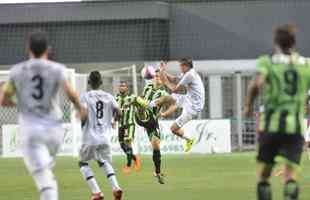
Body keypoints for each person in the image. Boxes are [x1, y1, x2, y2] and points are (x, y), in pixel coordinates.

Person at [0, 30, 87, 200]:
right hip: (54, 130)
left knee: (45, 181)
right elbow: (70, 92)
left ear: (28, 49)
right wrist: (80, 108)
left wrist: (21, 104)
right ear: (47, 49)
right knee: (47, 168)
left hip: (31, 130)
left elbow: (4, 99)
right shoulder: (57, 69)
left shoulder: (17, 71)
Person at [244, 24, 309, 200]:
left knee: (264, 175)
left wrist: (248, 106)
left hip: (272, 126)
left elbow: (257, 84)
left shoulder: (267, 61)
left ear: (276, 43)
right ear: (294, 43)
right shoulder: (306, 65)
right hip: (295, 128)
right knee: (290, 176)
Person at [138, 58, 205, 152]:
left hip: (193, 107)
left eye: (181, 66)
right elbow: (173, 79)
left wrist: (164, 81)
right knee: (166, 98)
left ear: (186, 66)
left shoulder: (190, 75)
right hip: (188, 98)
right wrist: (162, 70)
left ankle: (189, 139)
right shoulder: (187, 73)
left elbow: (174, 88)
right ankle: (148, 105)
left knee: (173, 129)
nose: (180, 68)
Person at [78, 71, 123, 200]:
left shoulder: (85, 97)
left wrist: (83, 124)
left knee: (83, 163)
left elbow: (84, 114)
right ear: (101, 82)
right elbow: (119, 113)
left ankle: (96, 192)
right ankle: (116, 187)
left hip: (90, 136)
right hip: (105, 137)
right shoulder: (109, 97)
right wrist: (113, 120)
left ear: (89, 83)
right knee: (104, 162)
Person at [134, 69, 169, 184]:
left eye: (160, 77)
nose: (158, 78)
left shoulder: (164, 93)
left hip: (153, 121)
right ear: (154, 77)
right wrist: (139, 101)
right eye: (156, 76)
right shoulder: (148, 87)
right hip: (144, 117)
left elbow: (165, 103)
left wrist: (161, 113)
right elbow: (142, 97)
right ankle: (141, 115)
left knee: (156, 145)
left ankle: (157, 172)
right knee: (140, 106)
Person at [115, 81, 141, 174]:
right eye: (120, 86)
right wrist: (114, 121)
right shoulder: (116, 98)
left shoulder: (132, 97)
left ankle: (128, 165)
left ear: (127, 88)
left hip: (129, 124)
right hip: (120, 125)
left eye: (123, 86)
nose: (121, 87)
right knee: (122, 146)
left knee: (128, 142)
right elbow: (115, 112)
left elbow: (141, 104)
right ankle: (135, 158)